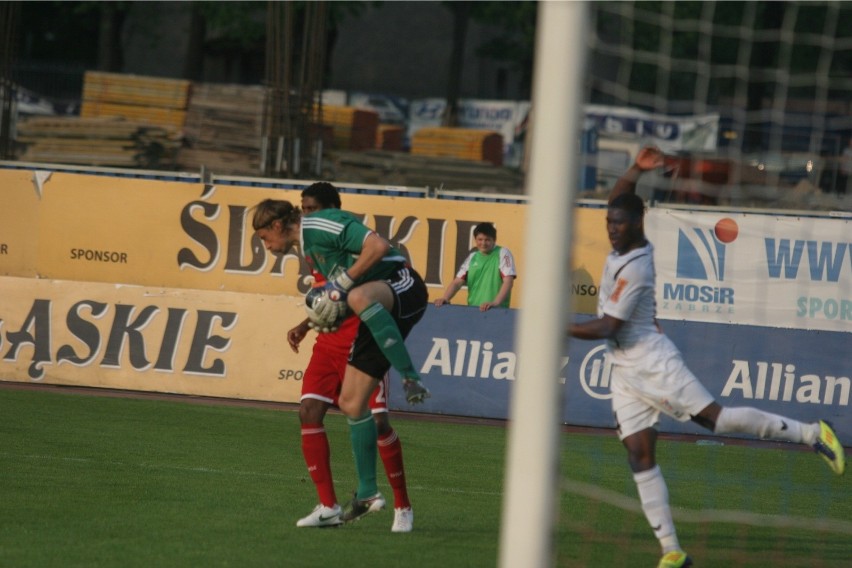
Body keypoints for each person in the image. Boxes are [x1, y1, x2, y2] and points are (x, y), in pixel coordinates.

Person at [567, 146, 846, 568]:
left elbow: (609, 327)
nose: (611, 229)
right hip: (624, 371)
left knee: (717, 420)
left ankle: (812, 434)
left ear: (638, 223)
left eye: (619, 223)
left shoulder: (639, 265)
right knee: (638, 454)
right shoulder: (622, 239)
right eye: (609, 222)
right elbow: (620, 197)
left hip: (653, 363)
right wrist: (635, 170)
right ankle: (672, 552)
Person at [251, 184, 430, 531]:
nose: (265, 245)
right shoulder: (309, 250)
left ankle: (402, 503)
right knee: (331, 407)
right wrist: (307, 323)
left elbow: (374, 252)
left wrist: (345, 283)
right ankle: (348, 500)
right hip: (350, 326)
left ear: (275, 225)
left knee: (377, 419)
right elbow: (332, 295)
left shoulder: (321, 226)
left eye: (262, 236)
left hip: (385, 303)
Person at [434, 222, 517, 311]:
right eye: (480, 239)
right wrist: (445, 298)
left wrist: (495, 303)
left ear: (494, 239)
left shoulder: (503, 253)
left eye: (487, 240)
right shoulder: (472, 257)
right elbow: (457, 282)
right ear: (475, 239)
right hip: (473, 311)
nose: (483, 243)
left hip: (496, 312)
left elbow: (508, 282)